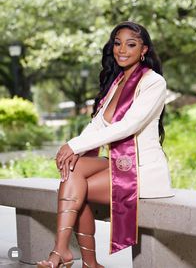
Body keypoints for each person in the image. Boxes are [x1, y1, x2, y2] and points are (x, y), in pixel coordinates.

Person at [37, 21, 175, 268]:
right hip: (119, 164)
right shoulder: (116, 82)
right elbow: (98, 125)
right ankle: (73, 256)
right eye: (117, 43)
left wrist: (74, 146)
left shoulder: (153, 82)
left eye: (131, 44)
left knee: (75, 187)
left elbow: (128, 126)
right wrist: (72, 147)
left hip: (144, 170)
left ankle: (65, 253)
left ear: (144, 50)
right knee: (74, 170)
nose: (122, 49)